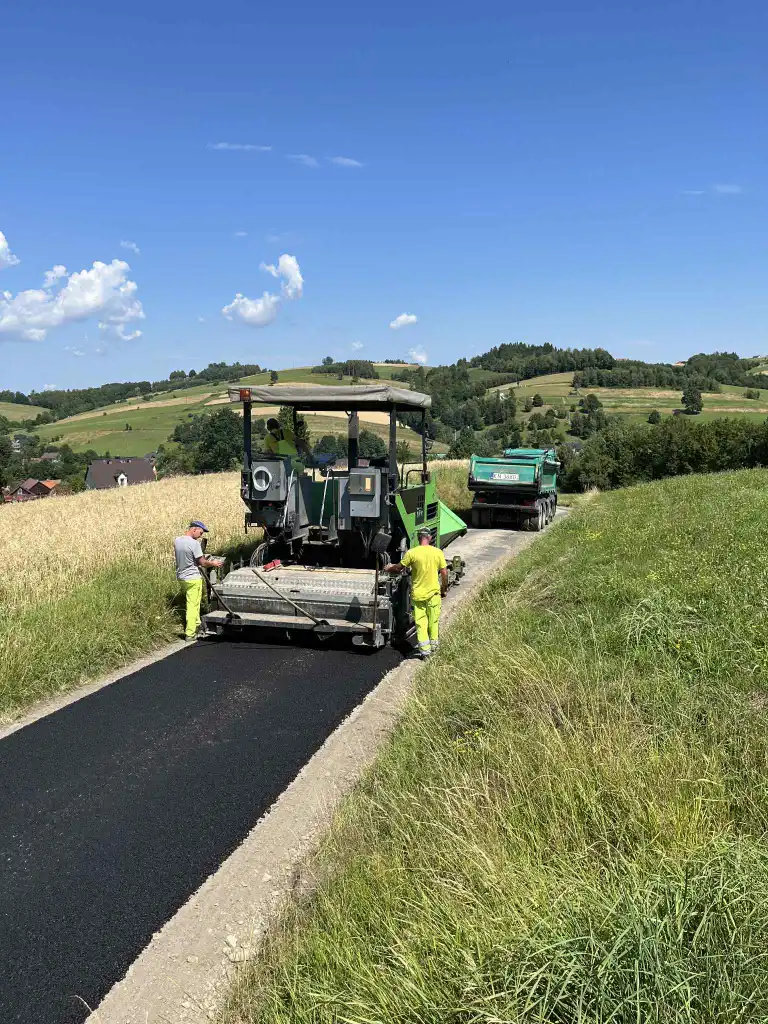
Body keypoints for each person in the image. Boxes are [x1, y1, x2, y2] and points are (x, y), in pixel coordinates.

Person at [385, 527, 449, 658]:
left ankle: (425, 652)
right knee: (433, 621)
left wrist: (388, 567)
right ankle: (434, 648)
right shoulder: (437, 553)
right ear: (430, 538)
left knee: (421, 623)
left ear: (419, 538)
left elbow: (399, 568)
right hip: (433, 594)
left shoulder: (412, 553)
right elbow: (444, 573)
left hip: (418, 595)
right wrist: (444, 588)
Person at [174, 521, 222, 640]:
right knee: (193, 606)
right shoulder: (194, 544)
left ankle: (197, 625)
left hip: (182, 577)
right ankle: (190, 634)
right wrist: (213, 563)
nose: (201, 535)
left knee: (192, 602)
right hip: (193, 578)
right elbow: (203, 562)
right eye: (200, 532)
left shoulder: (177, 541)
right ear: (194, 529)